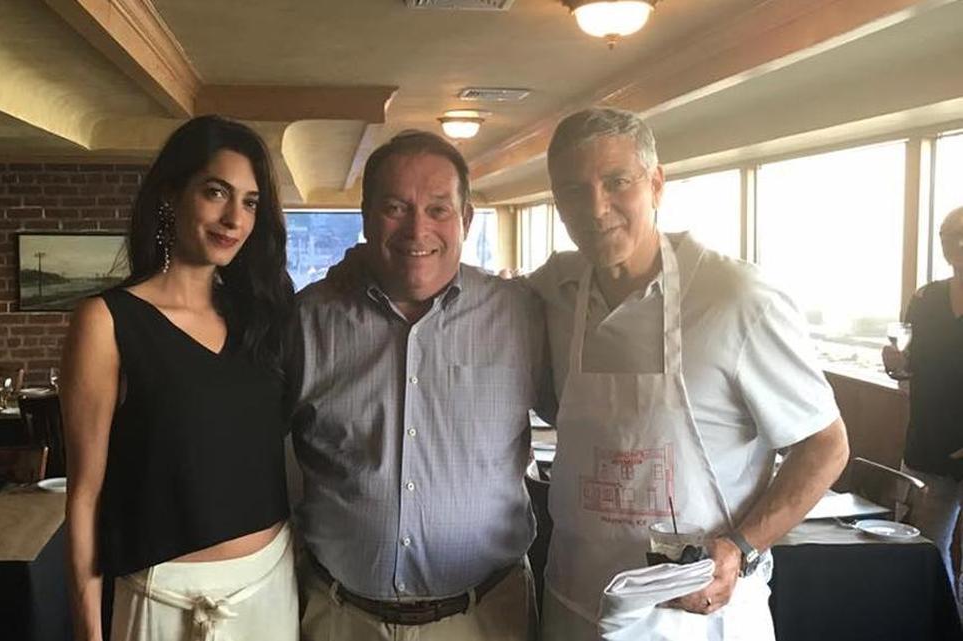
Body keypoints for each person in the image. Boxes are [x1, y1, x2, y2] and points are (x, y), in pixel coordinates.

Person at [528, 107, 850, 641]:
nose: (596, 207)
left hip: (695, 616)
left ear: (656, 183)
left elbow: (826, 444)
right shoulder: (552, 291)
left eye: (617, 182)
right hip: (574, 602)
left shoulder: (737, 299)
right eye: (573, 191)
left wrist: (741, 546)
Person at [290, 130, 549, 640]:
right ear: (365, 219)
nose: (417, 229)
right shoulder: (307, 321)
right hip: (339, 618)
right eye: (395, 208)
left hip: (484, 619)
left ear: (466, 219)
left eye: (438, 209)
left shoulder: (524, 315)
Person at [62, 115, 297, 641]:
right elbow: (85, 495)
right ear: (171, 194)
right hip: (164, 600)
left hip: (271, 589)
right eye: (216, 192)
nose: (234, 217)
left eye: (251, 202)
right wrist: (87, 631)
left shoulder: (264, 317)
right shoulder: (107, 321)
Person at [883, 205, 963, 595]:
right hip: (928, 446)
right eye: (950, 235)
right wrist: (898, 365)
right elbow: (912, 366)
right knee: (923, 549)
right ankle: (941, 625)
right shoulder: (926, 298)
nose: (959, 242)